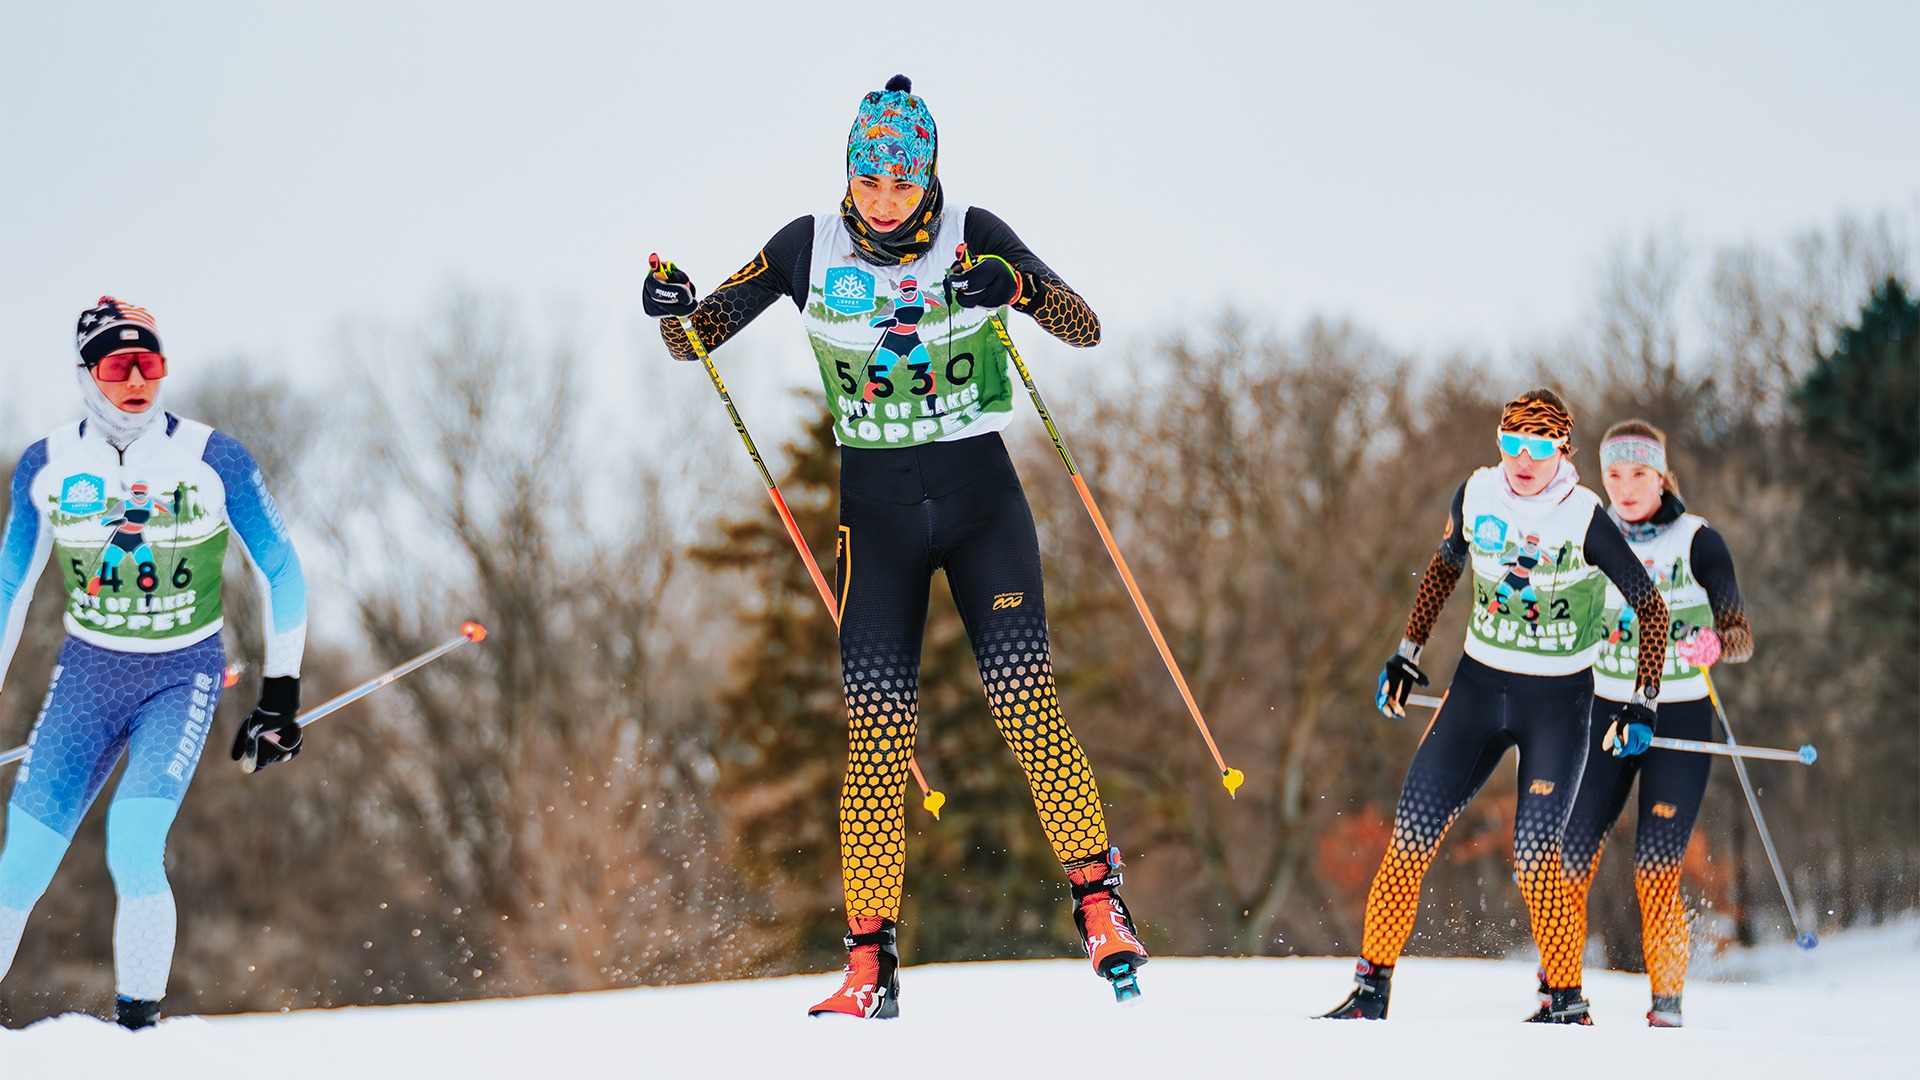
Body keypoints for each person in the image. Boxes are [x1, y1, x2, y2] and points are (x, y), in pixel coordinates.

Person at [644, 75, 1142, 1018]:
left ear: (930, 178)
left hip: (977, 498)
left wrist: (1017, 287)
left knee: (1021, 696)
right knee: (875, 735)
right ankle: (870, 963)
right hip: (873, 511)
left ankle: (1101, 906)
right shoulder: (805, 246)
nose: (882, 203)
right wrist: (672, 305)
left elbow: (1084, 325)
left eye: (902, 185)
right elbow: (693, 340)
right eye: (868, 182)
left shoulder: (974, 227)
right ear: (848, 174)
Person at [0, 297, 308, 1029]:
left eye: (150, 363)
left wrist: (281, 696)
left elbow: (282, 573)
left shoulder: (213, 458)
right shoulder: (46, 466)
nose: (137, 379)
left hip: (181, 675)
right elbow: (11, 591)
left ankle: (138, 1037)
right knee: (19, 866)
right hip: (88, 677)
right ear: (86, 377)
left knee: (134, 844)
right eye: (117, 365)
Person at [1319, 389, 1669, 1024]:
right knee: (1409, 839)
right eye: (1511, 444)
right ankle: (1371, 994)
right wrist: (1406, 651)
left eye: (1538, 448)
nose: (1522, 460)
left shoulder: (1585, 516)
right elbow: (1443, 569)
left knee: (1536, 858)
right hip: (1477, 690)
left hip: (1558, 703)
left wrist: (1644, 704)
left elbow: (1652, 606)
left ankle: (1565, 1002)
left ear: (1562, 451)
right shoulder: (1476, 493)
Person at [1560, 420, 1753, 1028]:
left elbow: (1740, 633)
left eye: (1638, 474)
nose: (1624, 487)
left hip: (1680, 715)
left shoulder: (1698, 540)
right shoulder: (1588, 537)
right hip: (1604, 713)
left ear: (1661, 475)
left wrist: (1713, 645)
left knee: (1655, 869)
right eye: (1613, 475)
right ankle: (1558, 993)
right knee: (1567, 861)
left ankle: (1665, 1004)